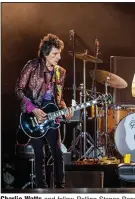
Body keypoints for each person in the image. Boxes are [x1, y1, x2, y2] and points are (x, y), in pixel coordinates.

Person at [15, 33, 73, 188]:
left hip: (52, 116)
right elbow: (19, 89)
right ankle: (42, 189)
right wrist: (33, 109)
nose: (59, 57)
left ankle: (60, 188)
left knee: (58, 153)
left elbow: (59, 98)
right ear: (45, 53)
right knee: (39, 154)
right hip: (34, 116)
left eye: (59, 53)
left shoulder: (61, 71)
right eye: (55, 54)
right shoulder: (32, 66)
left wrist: (65, 109)